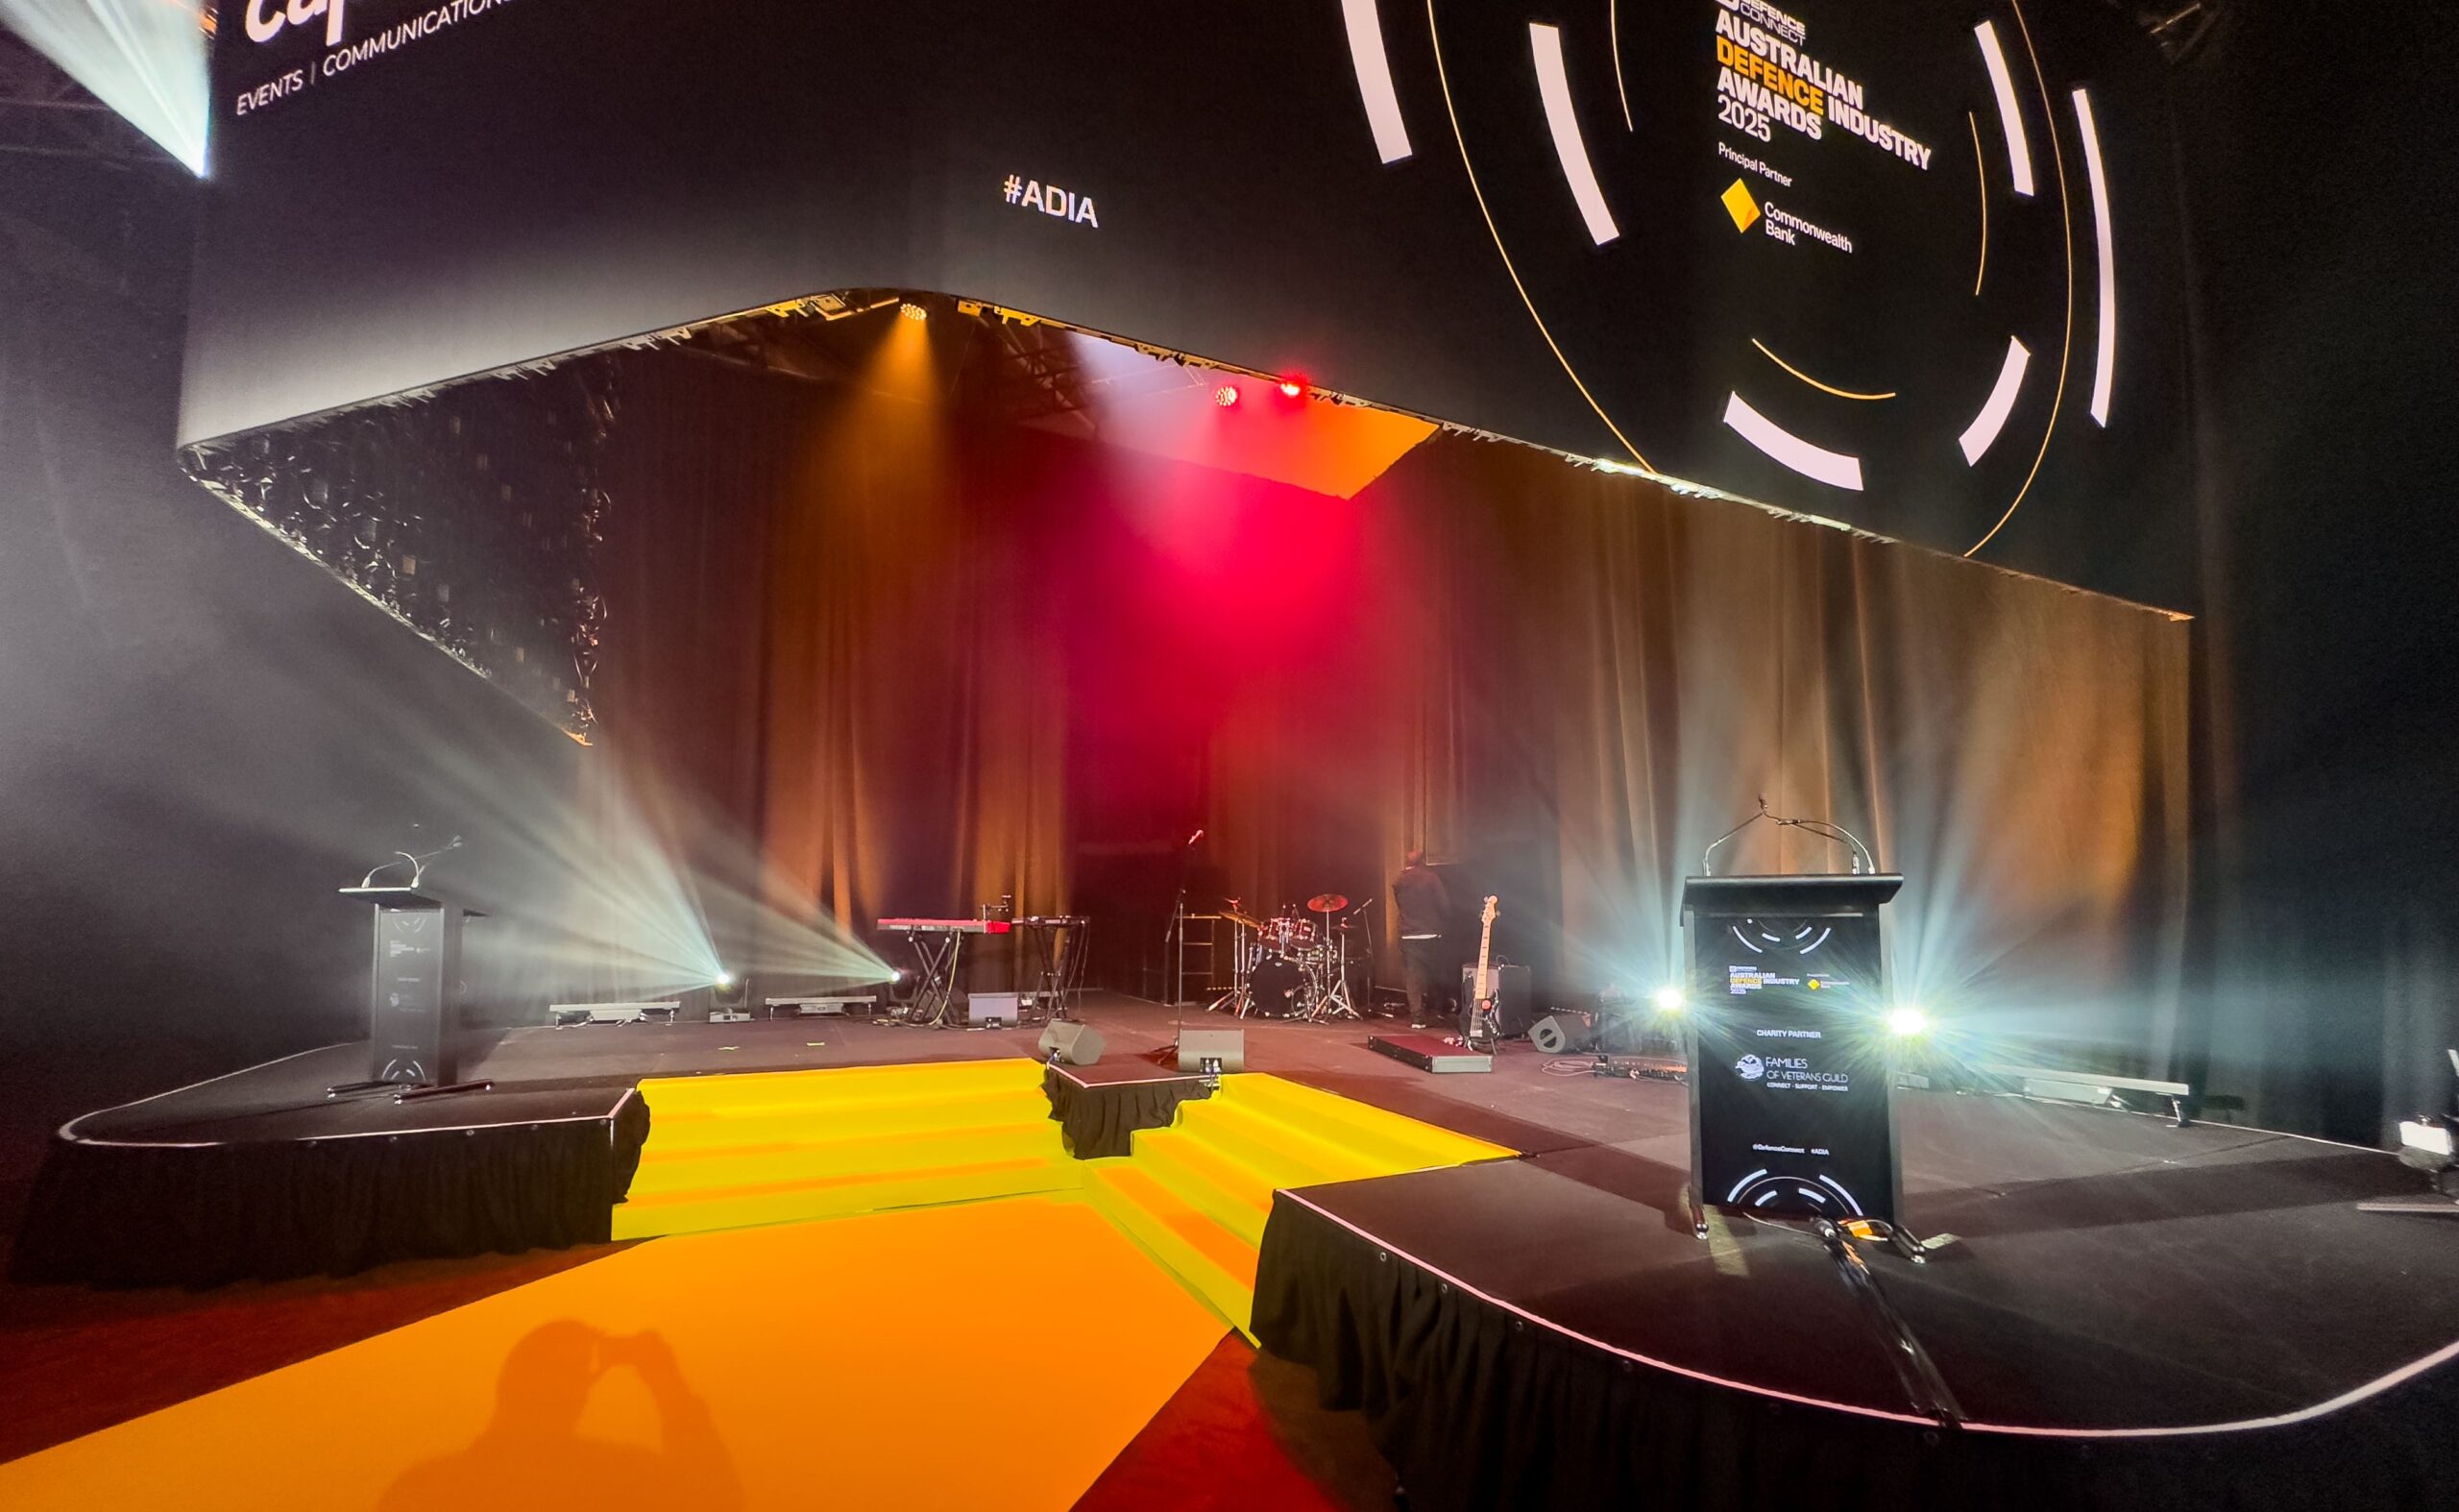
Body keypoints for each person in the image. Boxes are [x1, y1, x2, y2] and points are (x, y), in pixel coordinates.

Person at [1392, 848, 1452, 1030]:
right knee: (1435, 974)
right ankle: (1437, 1012)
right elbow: (1444, 905)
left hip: (1408, 934)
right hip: (1431, 933)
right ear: (1423, 861)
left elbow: (1400, 904)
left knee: (1413, 978)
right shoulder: (1431, 878)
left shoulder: (1399, 881)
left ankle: (1417, 1018)